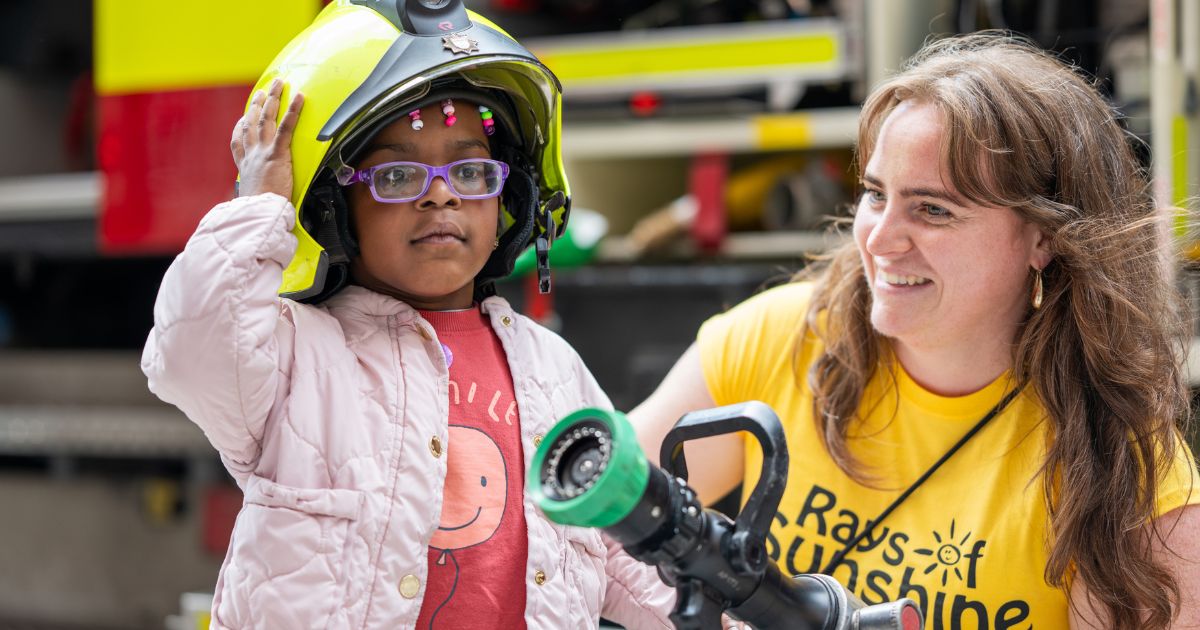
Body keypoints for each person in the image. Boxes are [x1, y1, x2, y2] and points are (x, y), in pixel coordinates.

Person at [630, 32, 1200, 629]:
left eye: (933, 210)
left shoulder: (1125, 472)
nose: (879, 239)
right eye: (876, 195)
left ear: (1043, 239)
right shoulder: (780, 337)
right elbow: (596, 511)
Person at [140, 2, 676, 628]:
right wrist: (260, 203)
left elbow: (619, 543)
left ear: (512, 198)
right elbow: (194, 350)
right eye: (397, 175)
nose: (441, 192)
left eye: (472, 170)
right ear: (334, 209)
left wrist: (721, 611)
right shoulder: (295, 354)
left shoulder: (551, 365)